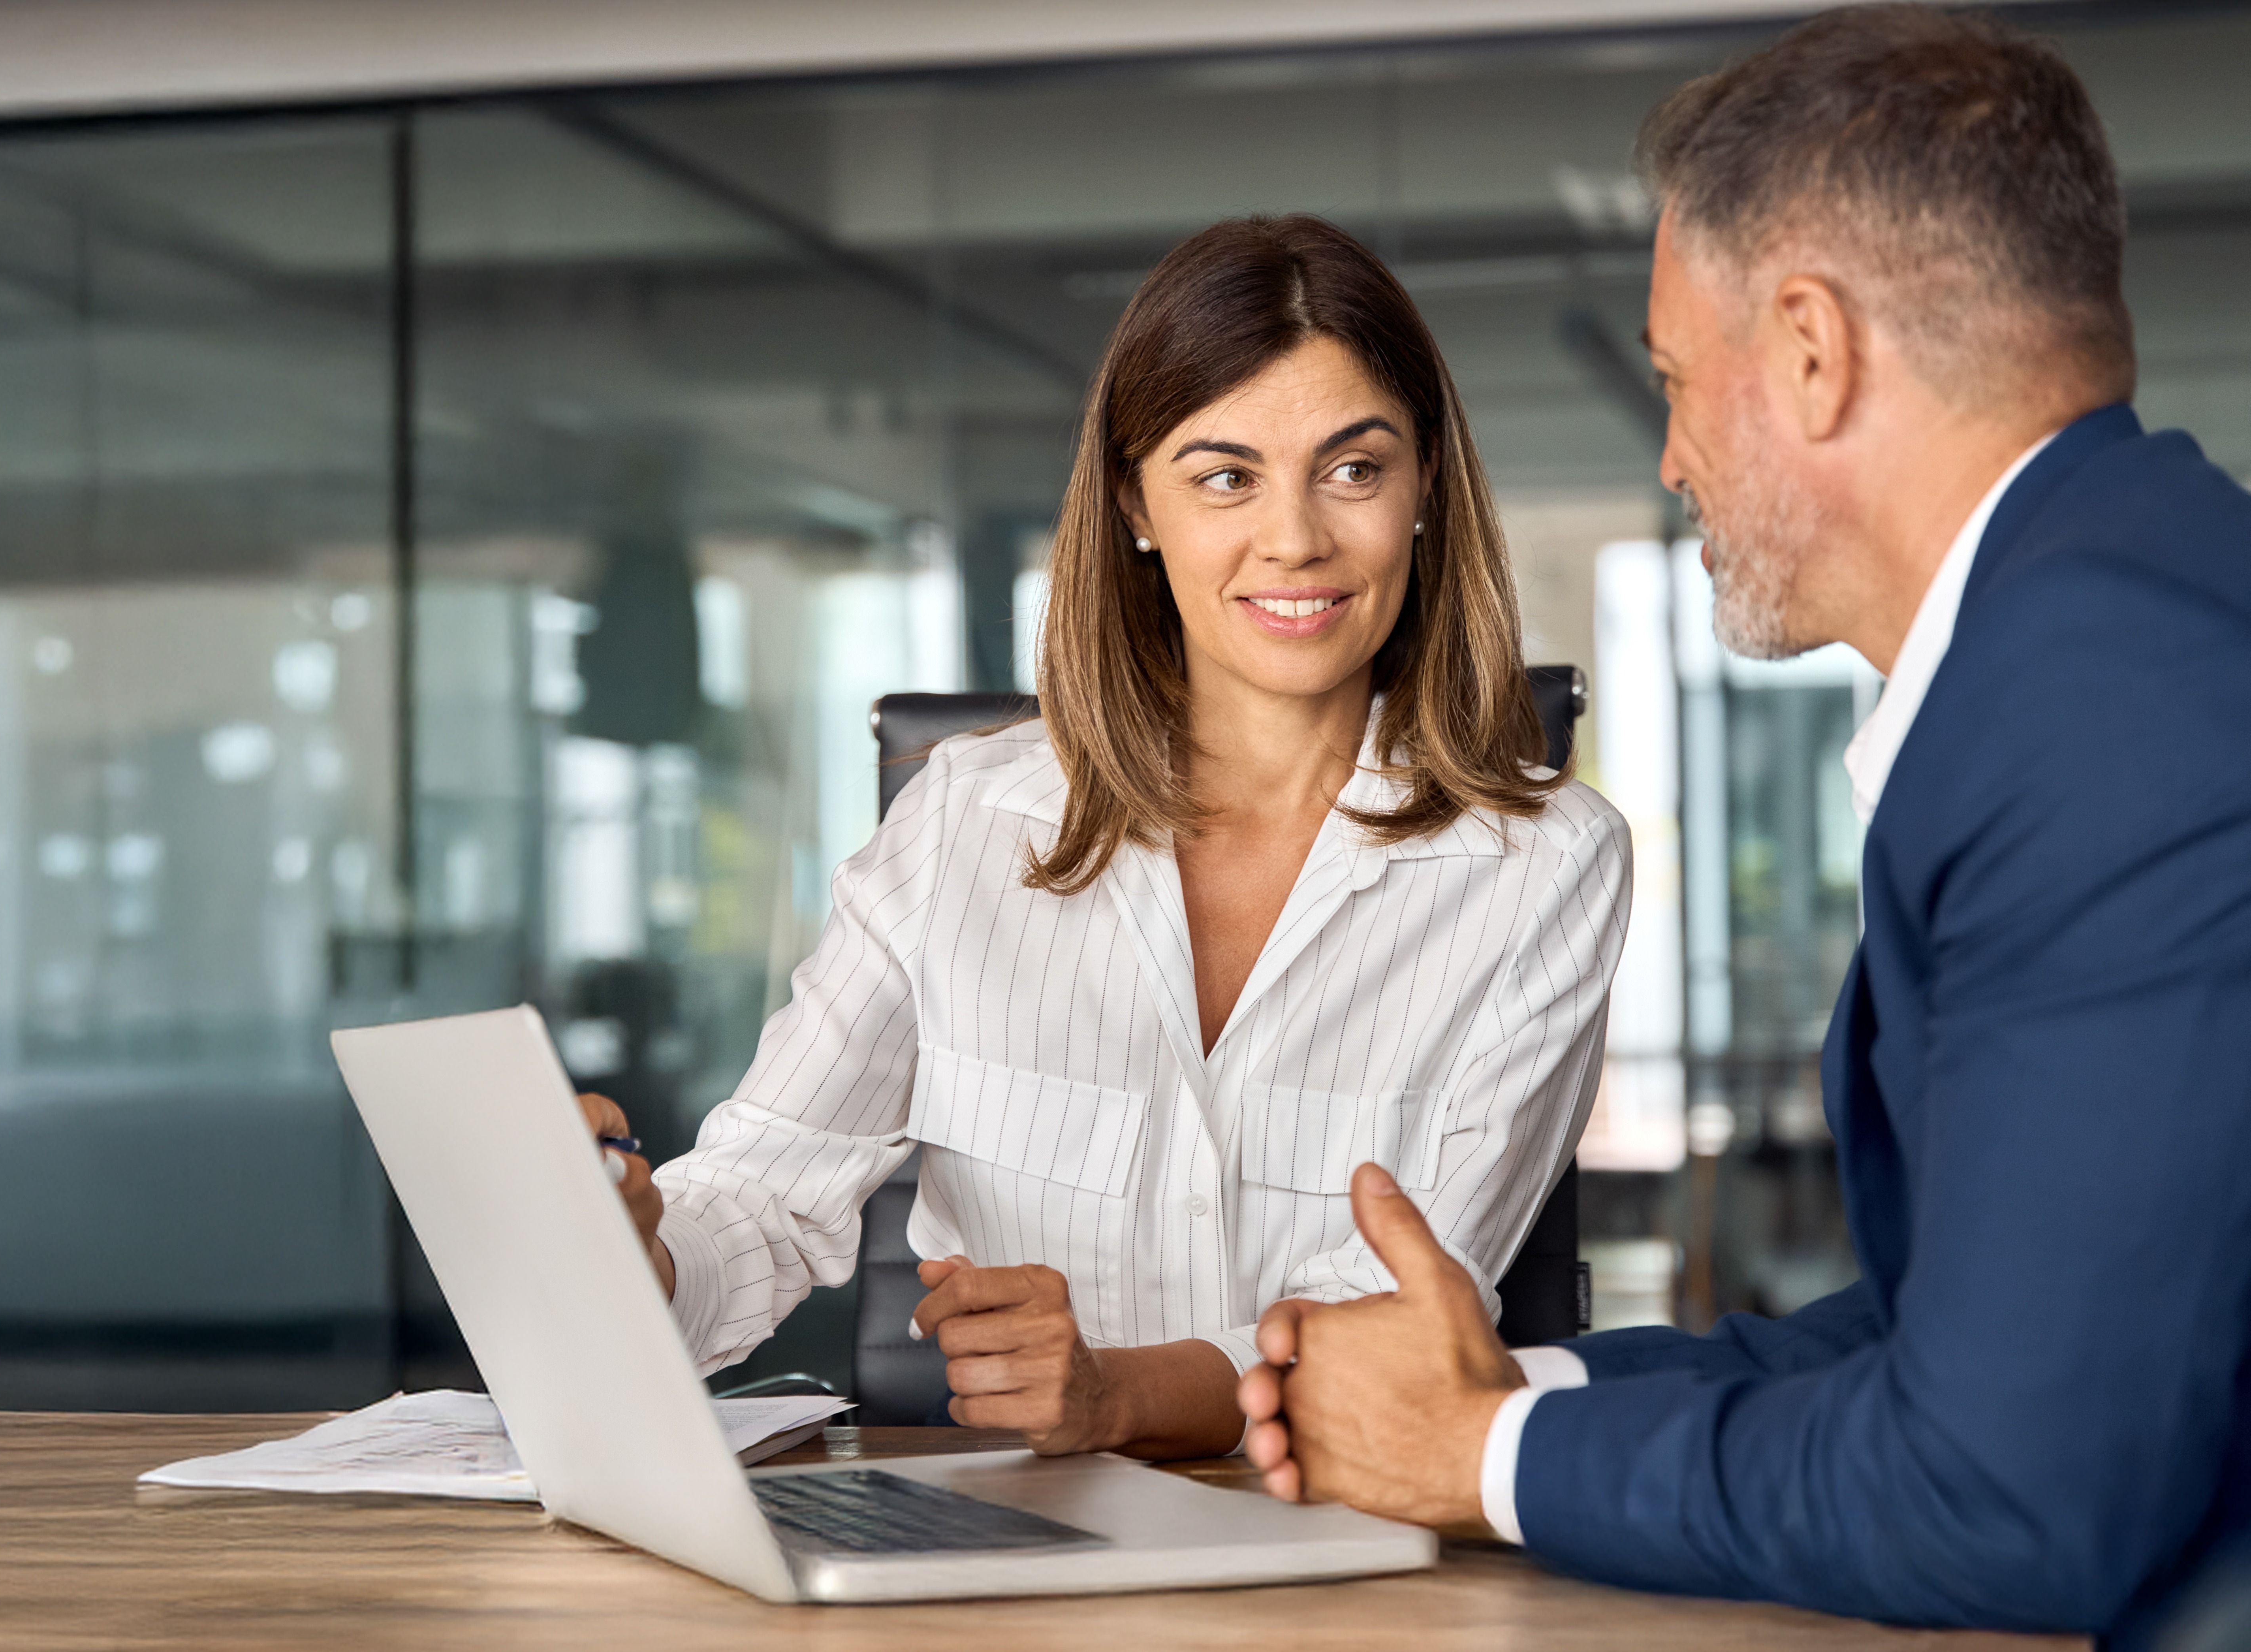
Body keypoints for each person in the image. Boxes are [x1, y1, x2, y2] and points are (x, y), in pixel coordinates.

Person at [1234, 10, 2251, 1650]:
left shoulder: (2124, 699)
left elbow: (1998, 1492)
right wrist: (1500, 1385)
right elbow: (1955, 1338)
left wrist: (1479, 1450)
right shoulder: (2153, 615)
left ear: (1813, 351)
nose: (1673, 455)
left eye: (1678, 382)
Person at [580, 214, 1630, 1462]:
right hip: (1013, 1546)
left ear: (1424, 490)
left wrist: (1121, 1393)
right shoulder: (965, 822)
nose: (1295, 538)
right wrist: (634, 1244)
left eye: (1354, 469)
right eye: (1225, 476)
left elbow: (1404, 1309)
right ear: (1138, 503)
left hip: (1358, 1550)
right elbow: (760, 1197)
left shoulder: (1548, 864)